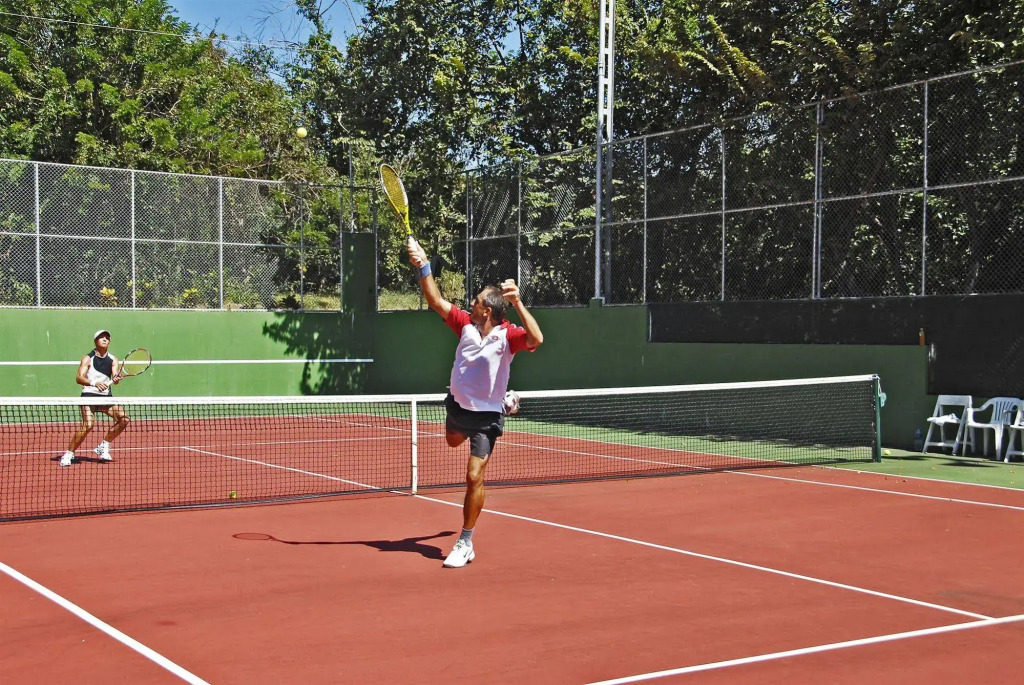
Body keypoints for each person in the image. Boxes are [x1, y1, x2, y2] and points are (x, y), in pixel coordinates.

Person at [407, 238, 544, 568]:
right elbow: (436, 300)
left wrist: (519, 302)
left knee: (473, 476)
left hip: (485, 419)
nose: (471, 302)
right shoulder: (464, 325)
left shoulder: (508, 336)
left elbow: (537, 339)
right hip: (457, 407)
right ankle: (507, 400)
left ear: (489, 310)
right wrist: (423, 264)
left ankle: (465, 540)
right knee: (452, 442)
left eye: (477, 300)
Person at [59, 329, 129, 466]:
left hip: (105, 398)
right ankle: (69, 454)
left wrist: (116, 379)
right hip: (89, 396)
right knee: (88, 425)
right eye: (101, 337)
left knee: (124, 419)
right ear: (95, 341)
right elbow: (79, 378)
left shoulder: (113, 359)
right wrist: (94, 383)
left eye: (107, 338)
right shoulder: (87, 358)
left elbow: (115, 377)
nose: (105, 339)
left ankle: (104, 445)